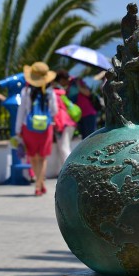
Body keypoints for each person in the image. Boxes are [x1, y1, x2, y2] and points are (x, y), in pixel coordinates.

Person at [15, 62, 58, 196]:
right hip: (45, 128)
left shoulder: (26, 91)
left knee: (33, 156)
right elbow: (54, 111)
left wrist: (17, 130)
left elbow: (21, 111)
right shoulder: (50, 92)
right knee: (42, 158)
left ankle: (38, 184)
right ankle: (39, 185)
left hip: (28, 128)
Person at [56, 70, 98, 139]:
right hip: (79, 116)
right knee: (84, 139)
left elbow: (88, 93)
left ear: (62, 79)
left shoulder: (76, 81)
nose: (60, 84)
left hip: (88, 114)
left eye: (59, 81)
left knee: (91, 138)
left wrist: (78, 85)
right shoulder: (68, 86)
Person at [51, 71, 77, 171]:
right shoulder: (62, 92)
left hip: (62, 123)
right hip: (69, 121)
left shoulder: (54, 93)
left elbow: (54, 111)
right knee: (64, 146)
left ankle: (69, 170)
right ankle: (65, 169)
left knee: (64, 147)